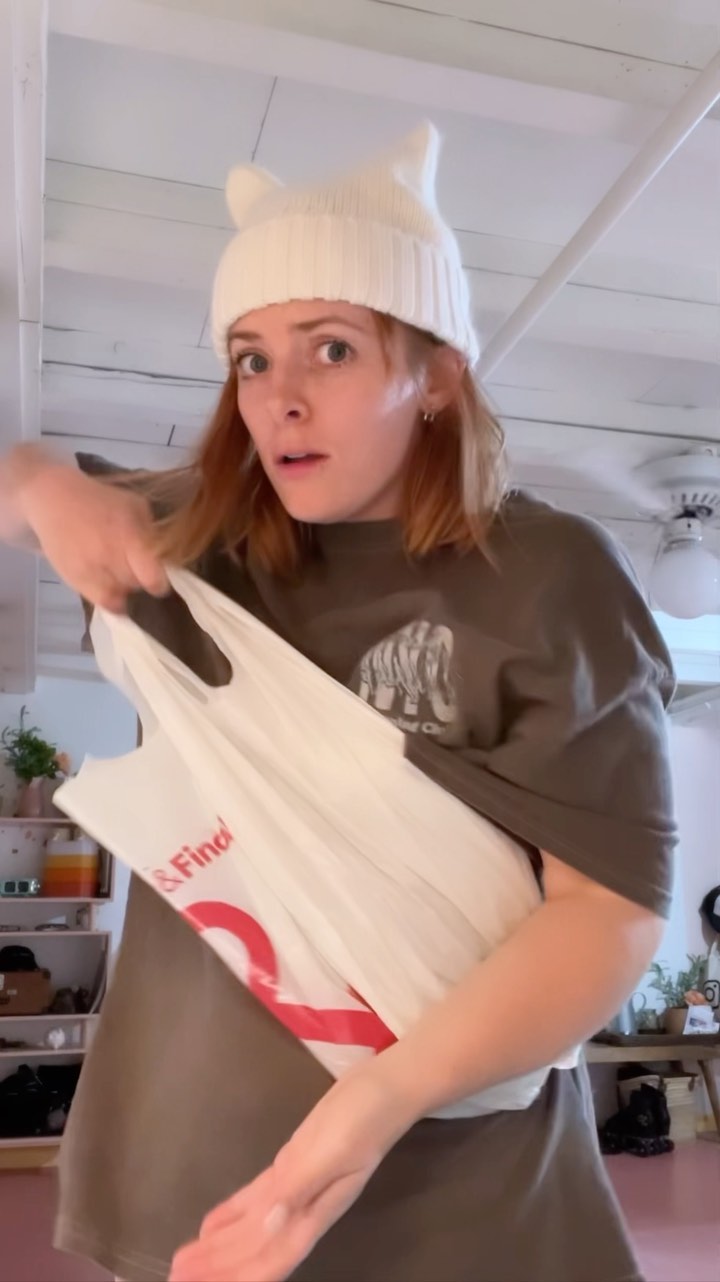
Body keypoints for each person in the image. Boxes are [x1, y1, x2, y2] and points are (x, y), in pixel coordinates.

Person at [0, 124, 676, 1282]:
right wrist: (39, 481)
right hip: (191, 1165)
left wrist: (375, 1102)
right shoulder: (192, 543)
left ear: (437, 373)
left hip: (457, 1187)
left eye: (332, 349)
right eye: (251, 359)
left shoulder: (549, 577)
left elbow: (609, 913)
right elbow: (20, 480)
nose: (282, 401)